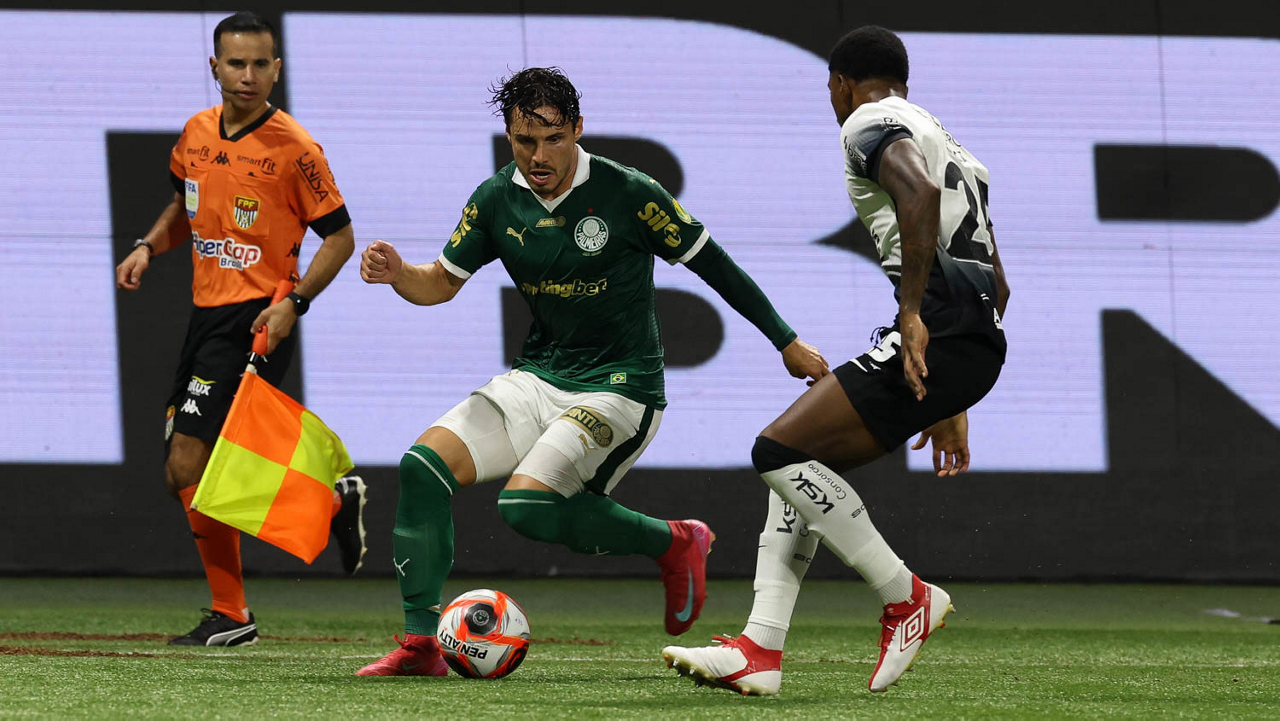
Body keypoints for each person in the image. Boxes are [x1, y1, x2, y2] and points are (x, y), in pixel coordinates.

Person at [354, 67, 829, 677]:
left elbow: (715, 265)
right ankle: (421, 646)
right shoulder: (496, 198)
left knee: (524, 507)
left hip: (621, 386)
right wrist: (399, 274)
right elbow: (440, 284)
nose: (539, 156)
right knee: (421, 469)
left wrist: (786, 341)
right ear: (509, 136)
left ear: (578, 129)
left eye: (553, 139)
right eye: (525, 141)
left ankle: (674, 541)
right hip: (538, 376)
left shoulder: (628, 192)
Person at [661, 25, 1010, 694]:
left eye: (831, 89)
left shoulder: (867, 122)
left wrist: (913, 315)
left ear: (842, 85)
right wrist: (953, 390)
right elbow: (999, 284)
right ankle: (759, 649)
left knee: (775, 452)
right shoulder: (952, 144)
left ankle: (905, 596)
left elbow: (918, 195)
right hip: (973, 339)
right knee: (802, 464)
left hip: (940, 329)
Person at [115, 11, 365, 647]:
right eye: (236, 63)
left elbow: (340, 238)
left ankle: (232, 614)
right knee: (197, 469)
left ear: (276, 69)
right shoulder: (196, 133)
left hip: (257, 318)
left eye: (260, 64)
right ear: (215, 67)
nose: (248, 75)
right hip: (205, 315)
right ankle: (330, 503)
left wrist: (295, 304)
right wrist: (148, 245)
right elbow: (185, 205)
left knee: (185, 462)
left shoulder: (296, 148)